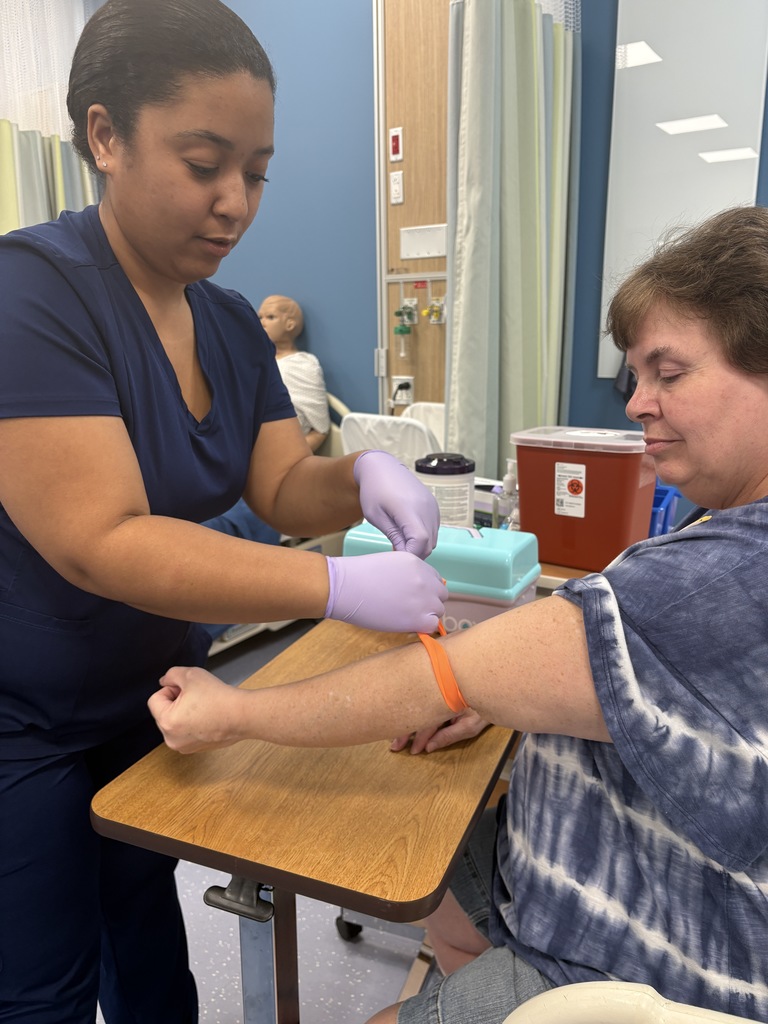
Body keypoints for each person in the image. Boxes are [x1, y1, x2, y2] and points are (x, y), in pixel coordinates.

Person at [151, 203, 768, 1024]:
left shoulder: (717, 575)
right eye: (637, 378)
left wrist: (237, 710)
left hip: (623, 962)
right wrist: (503, 692)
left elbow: (435, 676)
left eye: (670, 373)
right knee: (414, 827)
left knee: (396, 816)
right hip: (589, 876)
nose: (637, 405)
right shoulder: (720, 533)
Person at [0, 2, 448, 1021]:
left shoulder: (231, 321)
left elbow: (283, 485)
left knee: (153, 963)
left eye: (256, 170)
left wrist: (370, 476)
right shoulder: (31, 294)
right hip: (20, 716)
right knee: (43, 987)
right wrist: (335, 582)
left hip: (151, 694)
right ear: (105, 136)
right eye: (205, 162)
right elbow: (98, 540)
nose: (235, 202)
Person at [202, 294, 330, 556]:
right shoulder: (247, 362)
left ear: (291, 324)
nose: (262, 322)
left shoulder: (302, 366)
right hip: (232, 459)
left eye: (270, 317)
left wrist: (278, 462)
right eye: (259, 316)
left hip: (270, 465)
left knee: (213, 524)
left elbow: (320, 429)